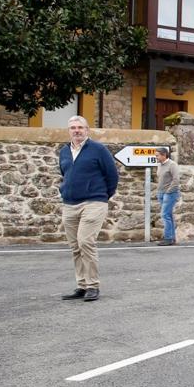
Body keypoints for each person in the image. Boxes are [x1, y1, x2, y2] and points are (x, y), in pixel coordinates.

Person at [58, 116, 119, 302]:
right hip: (69, 204)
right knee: (75, 247)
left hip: (94, 202)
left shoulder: (98, 149)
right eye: (73, 128)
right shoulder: (64, 151)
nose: (76, 131)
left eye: (80, 127)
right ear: (69, 131)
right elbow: (65, 173)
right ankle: (82, 285)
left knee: (85, 242)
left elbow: (112, 176)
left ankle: (93, 286)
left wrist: (101, 196)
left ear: (87, 130)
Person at [154, 146, 180, 246]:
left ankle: (168, 238)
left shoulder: (172, 165)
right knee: (168, 215)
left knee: (165, 215)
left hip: (170, 193)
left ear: (164, 155)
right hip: (161, 193)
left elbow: (176, 180)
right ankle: (172, 238)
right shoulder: (159, 165)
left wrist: (168, 191)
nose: (156, 157)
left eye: (157, 156)